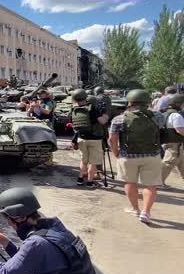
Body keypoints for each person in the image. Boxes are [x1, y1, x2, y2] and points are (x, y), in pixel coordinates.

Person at [108, 89, 164, 224]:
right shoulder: (158, 116)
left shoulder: (119, 118)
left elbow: (112, 139)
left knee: (130, 183)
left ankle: (135, 209)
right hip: (152, 155)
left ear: (129, 102)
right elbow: (161, 133)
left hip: (128, 156)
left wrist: (116, 153)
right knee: (150, 185)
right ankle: (146, 212)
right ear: (147, 102)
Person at [69, 89, 109, 187]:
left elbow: (73, 123)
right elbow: (102, 122)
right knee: (93, 162)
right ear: (85, 97)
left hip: (81, 138)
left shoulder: (73, 109)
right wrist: (106, 115)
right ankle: (90, 182)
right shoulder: (92, 108)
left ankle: (80, 178)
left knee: (84, 160)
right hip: (95, 139)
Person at [160, 93, 184, 189]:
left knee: (182, 162)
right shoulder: (176, 115)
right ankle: (158, 182)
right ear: (180, 104)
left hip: (173, 143)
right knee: (168, 163)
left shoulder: (166, 112)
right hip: (174, 144)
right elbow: (180, 130)